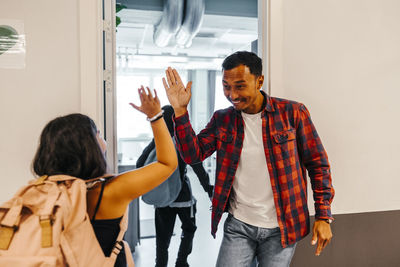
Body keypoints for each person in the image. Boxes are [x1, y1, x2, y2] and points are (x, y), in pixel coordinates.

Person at [162, 51, 335, 267]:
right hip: (239, 225)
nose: (232, 94)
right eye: (226, 86)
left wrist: (323, 215)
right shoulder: (222, 119)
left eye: (240, 86)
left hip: (282, 227)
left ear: (259, 81)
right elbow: (192, 154)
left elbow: (318, 165)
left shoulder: (293, 113)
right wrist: (180, 111)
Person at [32, 86, 178, 267]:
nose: (104, 140)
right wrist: (155, 116)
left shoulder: (41, 190)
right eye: (99, 134)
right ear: (88, 146)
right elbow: (167, 163)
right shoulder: (109, 191)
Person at [136, 105, 213, 267]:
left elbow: (140, 163)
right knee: (189, 229)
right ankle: (181, 262)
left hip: (162, 197)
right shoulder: (183, 141)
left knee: (162, 237)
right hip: (183, 196)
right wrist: (209, 190)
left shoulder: (158, 141)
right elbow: (198, 167)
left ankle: (160, 265)